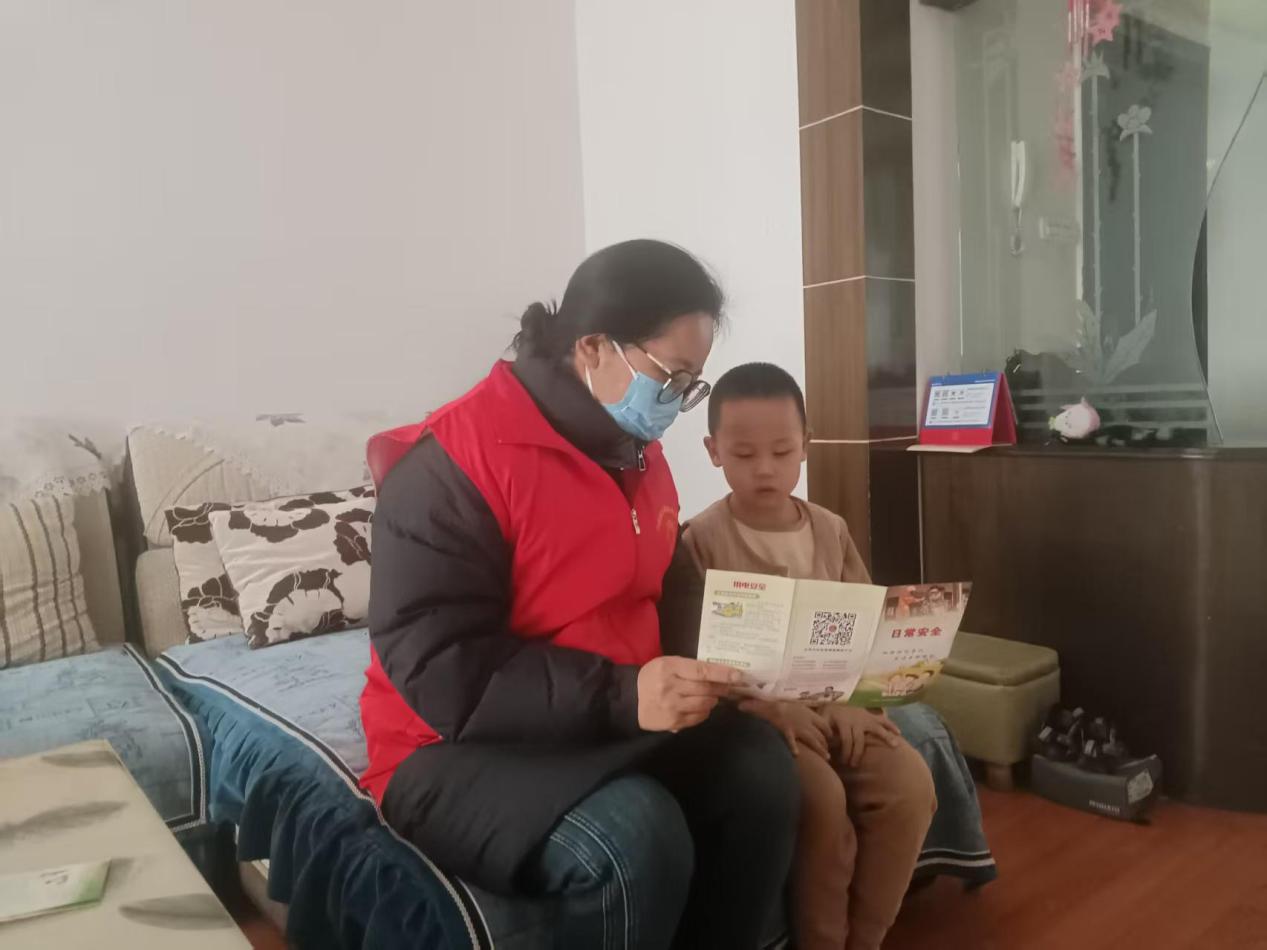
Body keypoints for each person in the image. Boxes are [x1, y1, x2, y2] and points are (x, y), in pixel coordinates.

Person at [359, 242, 800, 950]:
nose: (677, 402)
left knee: (759, 768)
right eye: (670, 376)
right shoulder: (452, 464)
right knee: (635, 834)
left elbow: (668, 586)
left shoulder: (636, 452)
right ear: (593, 347)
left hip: (602, 714)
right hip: (450, 744)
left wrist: (736, 668)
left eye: (692, 384)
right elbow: (443, 668)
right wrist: (625, 696)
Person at [681, 362, 937, 950]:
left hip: (840, 704)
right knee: (822, 805)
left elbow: (868, 624)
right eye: (743, 454)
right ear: (713, 451)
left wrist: (857, 703)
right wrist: (773, 709)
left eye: (781, 451)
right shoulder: (702, 540)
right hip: (763, 718)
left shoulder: (830, 530)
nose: (765, 469)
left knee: (909, 786)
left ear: (806, 445)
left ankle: (865, 938)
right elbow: (701, 654)